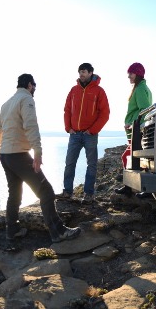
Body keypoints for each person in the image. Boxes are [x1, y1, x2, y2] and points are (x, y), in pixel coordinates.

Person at [0, 73, 81, 245]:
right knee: (46, 191)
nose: (34, 89)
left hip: (6, 156)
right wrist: (38, 153)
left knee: (14, 194)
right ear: (30, 85)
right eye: (34, 86)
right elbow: (31, 126)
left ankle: (12, 232)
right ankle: (58, 232)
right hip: (19, 154)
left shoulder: (6, 104)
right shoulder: (27, 99)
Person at [57, 63, 110, 204]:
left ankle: (88, 194)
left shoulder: (99, 91)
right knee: (70, 162)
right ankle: (67, 192)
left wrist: (92, 130)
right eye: (80, 72)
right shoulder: (74, 90)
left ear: (91, 73)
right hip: (74, 134)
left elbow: (105, 113)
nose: (81, 74)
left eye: (84, 72)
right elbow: (67, 110)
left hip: (90, 135)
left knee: (91, 164)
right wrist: (68, 128)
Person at [115, 62, 153, 197]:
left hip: (138, 130)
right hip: (136, 130)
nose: (128, 76)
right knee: (132, 157)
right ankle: (131, 186)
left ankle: (140, 188)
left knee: (133, 157)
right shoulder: (140, 87)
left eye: (130, 73)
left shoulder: (141, 88)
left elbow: (145, 109)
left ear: (137, 73)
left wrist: (132, 123)